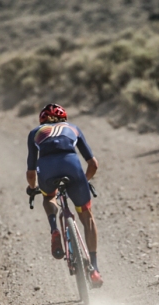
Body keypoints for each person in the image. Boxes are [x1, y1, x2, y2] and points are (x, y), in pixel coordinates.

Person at [26, 103, 103, 287]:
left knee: (48, 196)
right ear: (64, 118)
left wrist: (32, 187)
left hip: (47, 170)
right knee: (87, 217)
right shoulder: (73, 129)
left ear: (42, 120)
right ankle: (95, 269)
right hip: (72, 167)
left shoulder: (36, 133)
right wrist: (83, 180)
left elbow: (30, 171)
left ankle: (54, 229)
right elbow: (93, 164)